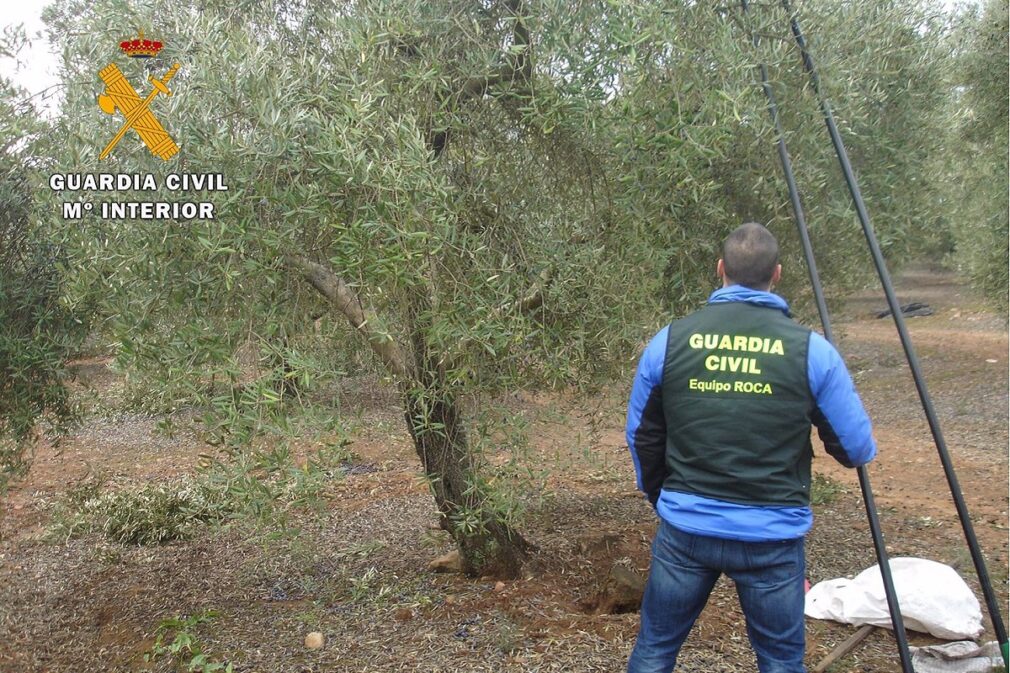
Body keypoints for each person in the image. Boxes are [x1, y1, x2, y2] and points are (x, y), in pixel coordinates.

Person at [625, 222, 877, 673]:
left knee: (656, 650)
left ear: (720, 269)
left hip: (686, 530)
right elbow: (856, 449)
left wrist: (662, 495)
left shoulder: (669, 341)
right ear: (776, 274)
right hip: (773, 537)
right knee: (780, 661)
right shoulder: (812, 352)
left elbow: (641, 435)